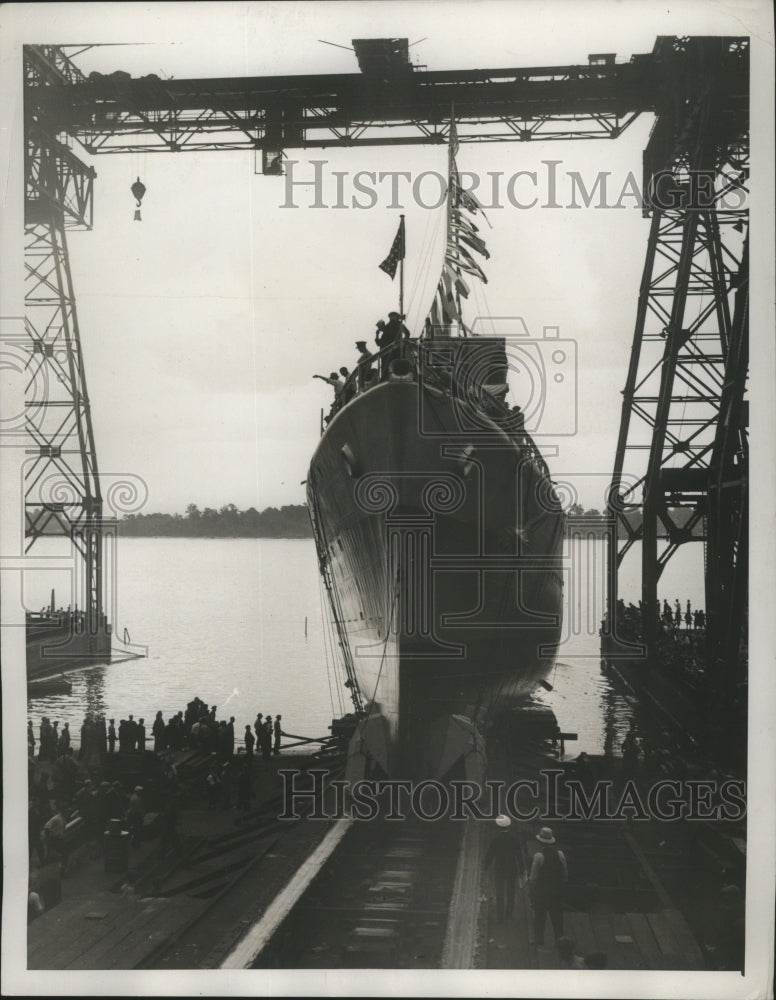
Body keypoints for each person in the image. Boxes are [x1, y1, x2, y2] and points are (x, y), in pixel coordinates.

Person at [529, 827, 567, 947]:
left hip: (542, 892)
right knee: (557, 918)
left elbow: (533, 878)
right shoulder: (560, 854)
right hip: (556, 892)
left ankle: (539, 941)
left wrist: (532, 890)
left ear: (540, 842)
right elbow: (564, 873)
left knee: (540, 917)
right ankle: (559, 941)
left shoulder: (538, 856)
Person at [483, 814, 524, 923]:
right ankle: (509, 914)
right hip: (512, 868)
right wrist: (521, 869)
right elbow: (519, 855)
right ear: (508, 827)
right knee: (511, 891)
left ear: (498, 827)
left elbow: (490, 854)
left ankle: (500, 916)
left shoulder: (496, 840)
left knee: (499, 891)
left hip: (499, 868)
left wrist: (485, 866)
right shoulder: (514, 839)